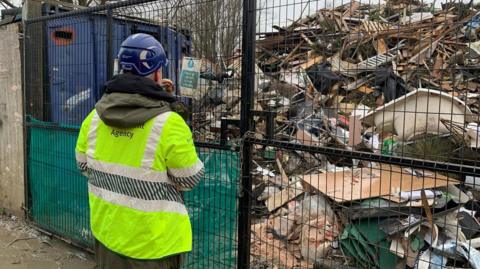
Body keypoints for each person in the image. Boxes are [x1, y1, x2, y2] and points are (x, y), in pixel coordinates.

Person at [75, 33, 203, 269]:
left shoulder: (93, 118)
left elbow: (84, 167)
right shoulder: (168, 122)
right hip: (154, 247)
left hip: (107, 238)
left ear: (120, 68)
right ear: (156, 72)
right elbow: (189, 179)